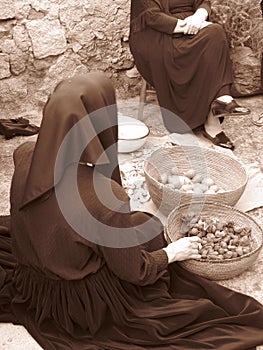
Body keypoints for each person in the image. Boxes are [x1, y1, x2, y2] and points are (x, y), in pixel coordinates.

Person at [0, 73, 263, 350]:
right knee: (151, 238)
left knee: (143, 223)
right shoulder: (105, 197)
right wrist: (172, 254)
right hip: (82, 304)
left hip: (34, 284)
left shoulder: (25, 155)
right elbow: (135, 273)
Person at [129, 0, 251, 150]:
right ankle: (209, 113)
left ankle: (216, 115)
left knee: (216, 33)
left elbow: (204, 3)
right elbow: (152, 17)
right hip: (158, 34)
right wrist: (187, 27)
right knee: (208, 38)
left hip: (193, 26)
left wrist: (198, 18)